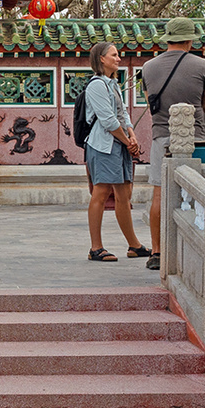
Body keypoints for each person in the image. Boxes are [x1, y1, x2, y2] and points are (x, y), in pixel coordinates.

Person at [142, 18, 205, 272]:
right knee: (196, 193)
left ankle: (156, 251)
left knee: (159, 193)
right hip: (195, 138)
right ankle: (196, 248)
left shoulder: (148, 67)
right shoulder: (203, 66)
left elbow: (150, 102)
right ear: (190, 39)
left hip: (161, 136)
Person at [82, 42, 146, 262]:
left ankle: (134, 245)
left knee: (123, 194)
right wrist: (128, 141)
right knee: (100, 192)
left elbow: (123, 113)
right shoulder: (96, 85)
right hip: (102, 145)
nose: (118, 59)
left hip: (119, 143)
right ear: (101, 58)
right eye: (114, 55)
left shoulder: (113, 84)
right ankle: (95, 247)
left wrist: (132, 135)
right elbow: (107, 120)